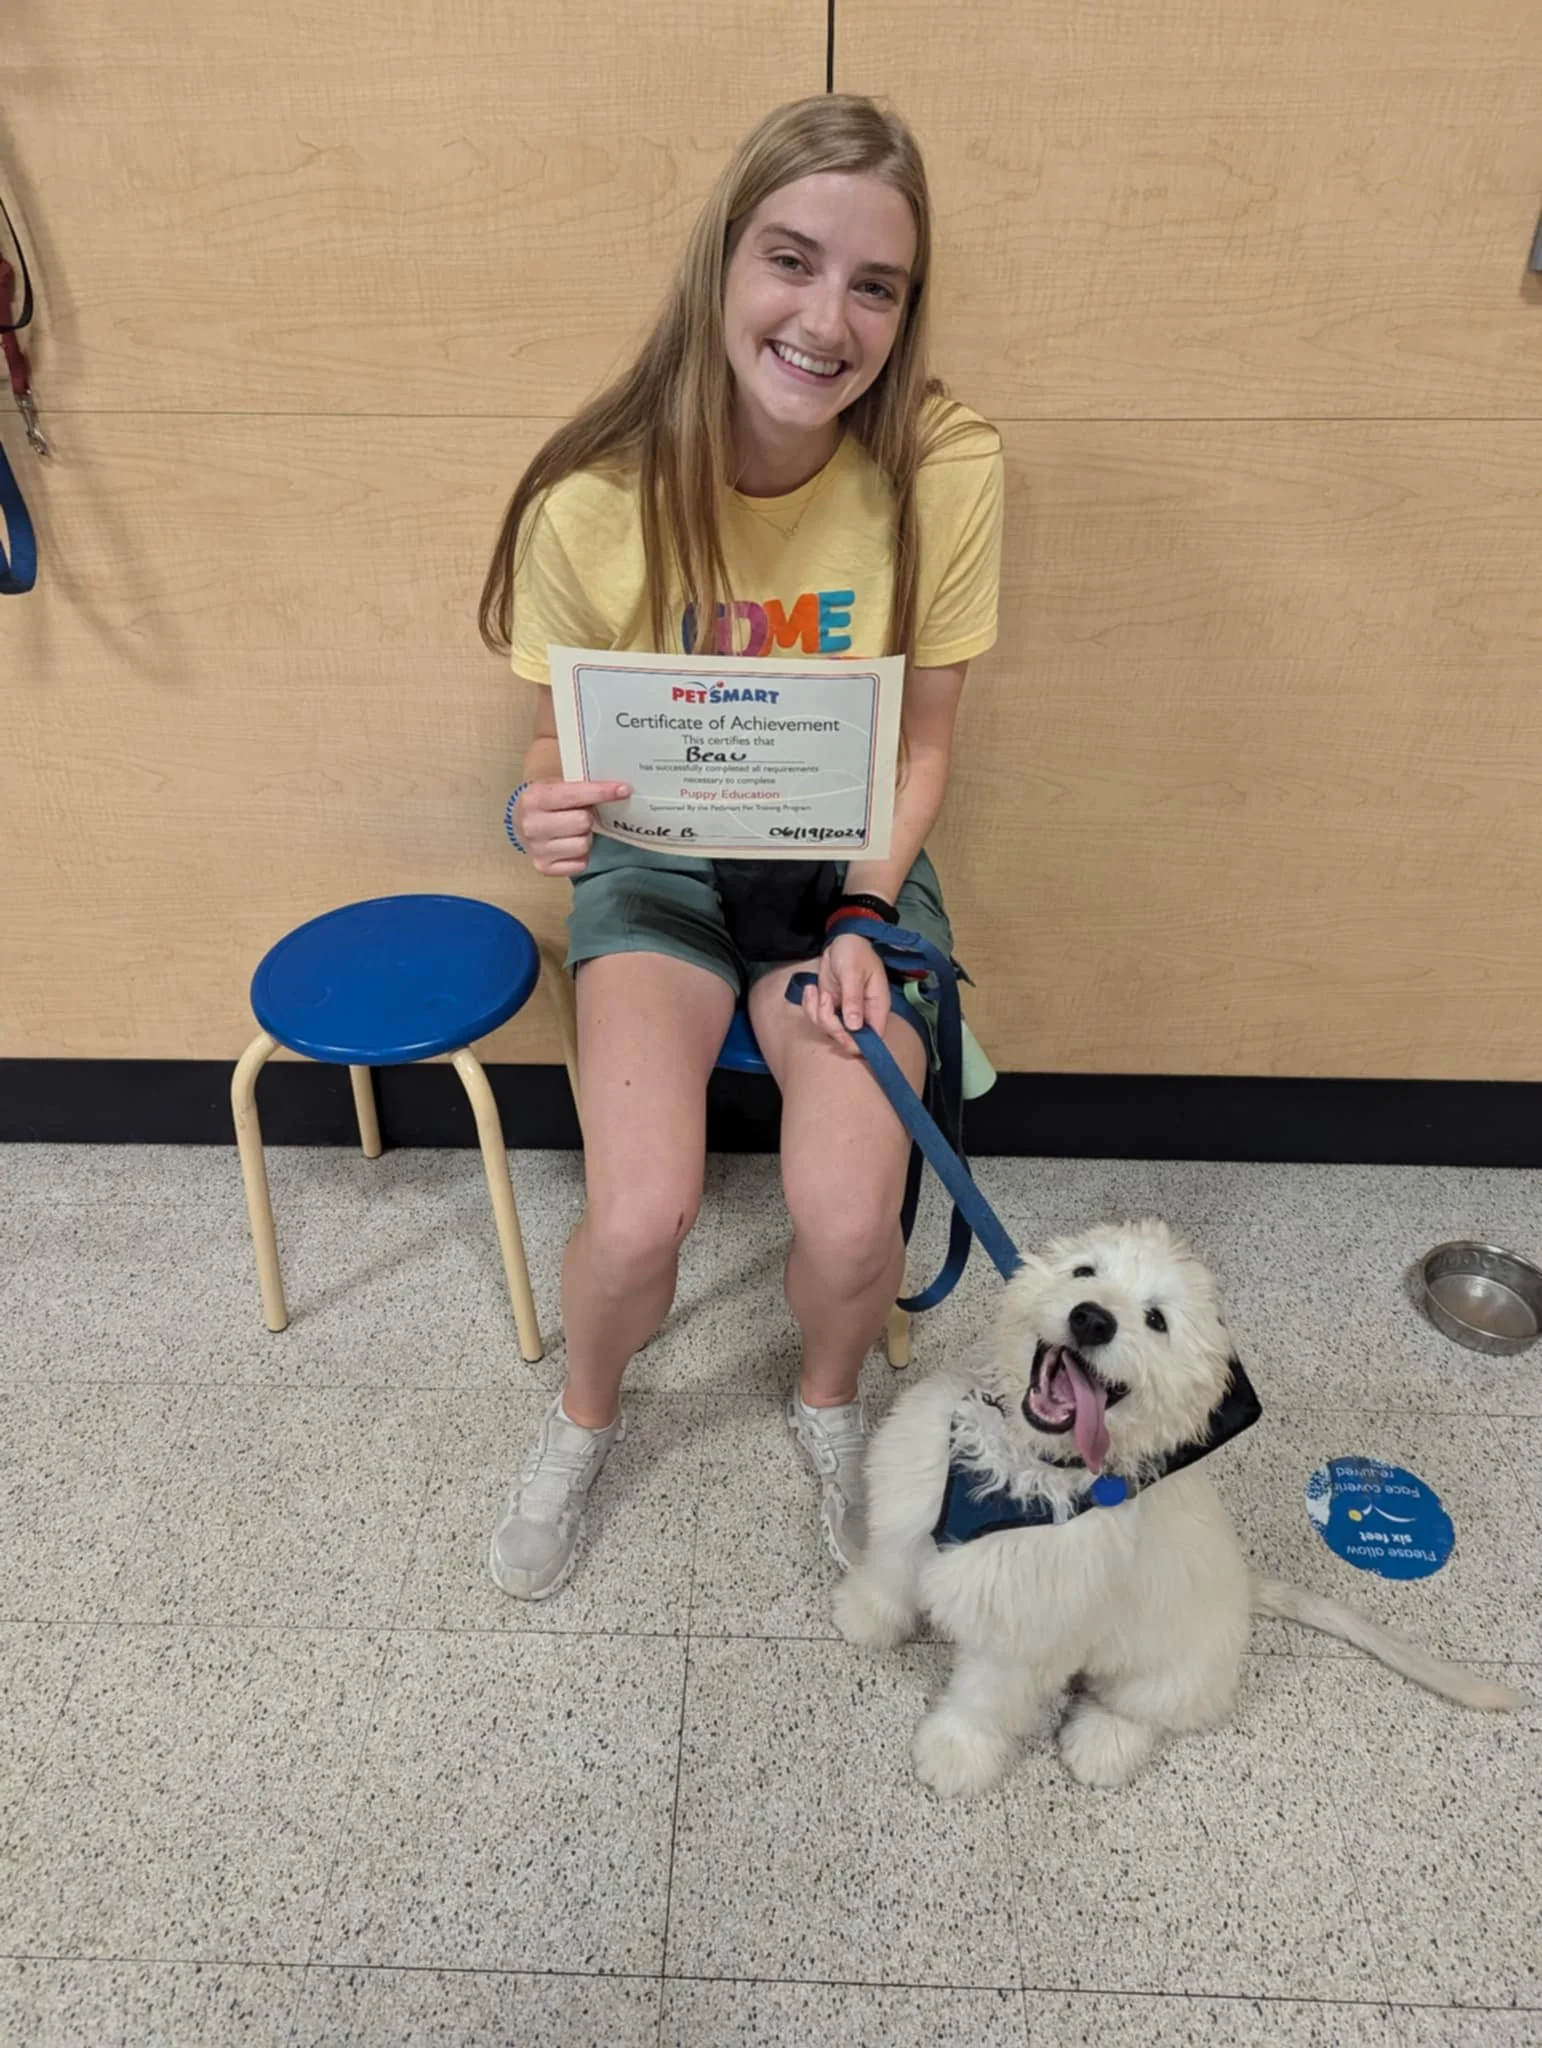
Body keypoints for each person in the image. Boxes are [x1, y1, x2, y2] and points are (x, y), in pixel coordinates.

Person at [479, 93, 1003, 1599]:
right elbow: (546, 753)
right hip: (657, 869)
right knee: (639, 1213)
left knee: (851, 1224)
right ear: (722, 263)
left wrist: (858, 915)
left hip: (846, 872)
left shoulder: (943, 469)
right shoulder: (592, 497)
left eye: (875, 285)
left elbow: (923, 746)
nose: (825, 318)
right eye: (791, 259)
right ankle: (584, 1420)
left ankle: (827, 1405)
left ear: (906, 310)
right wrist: (536, 812)